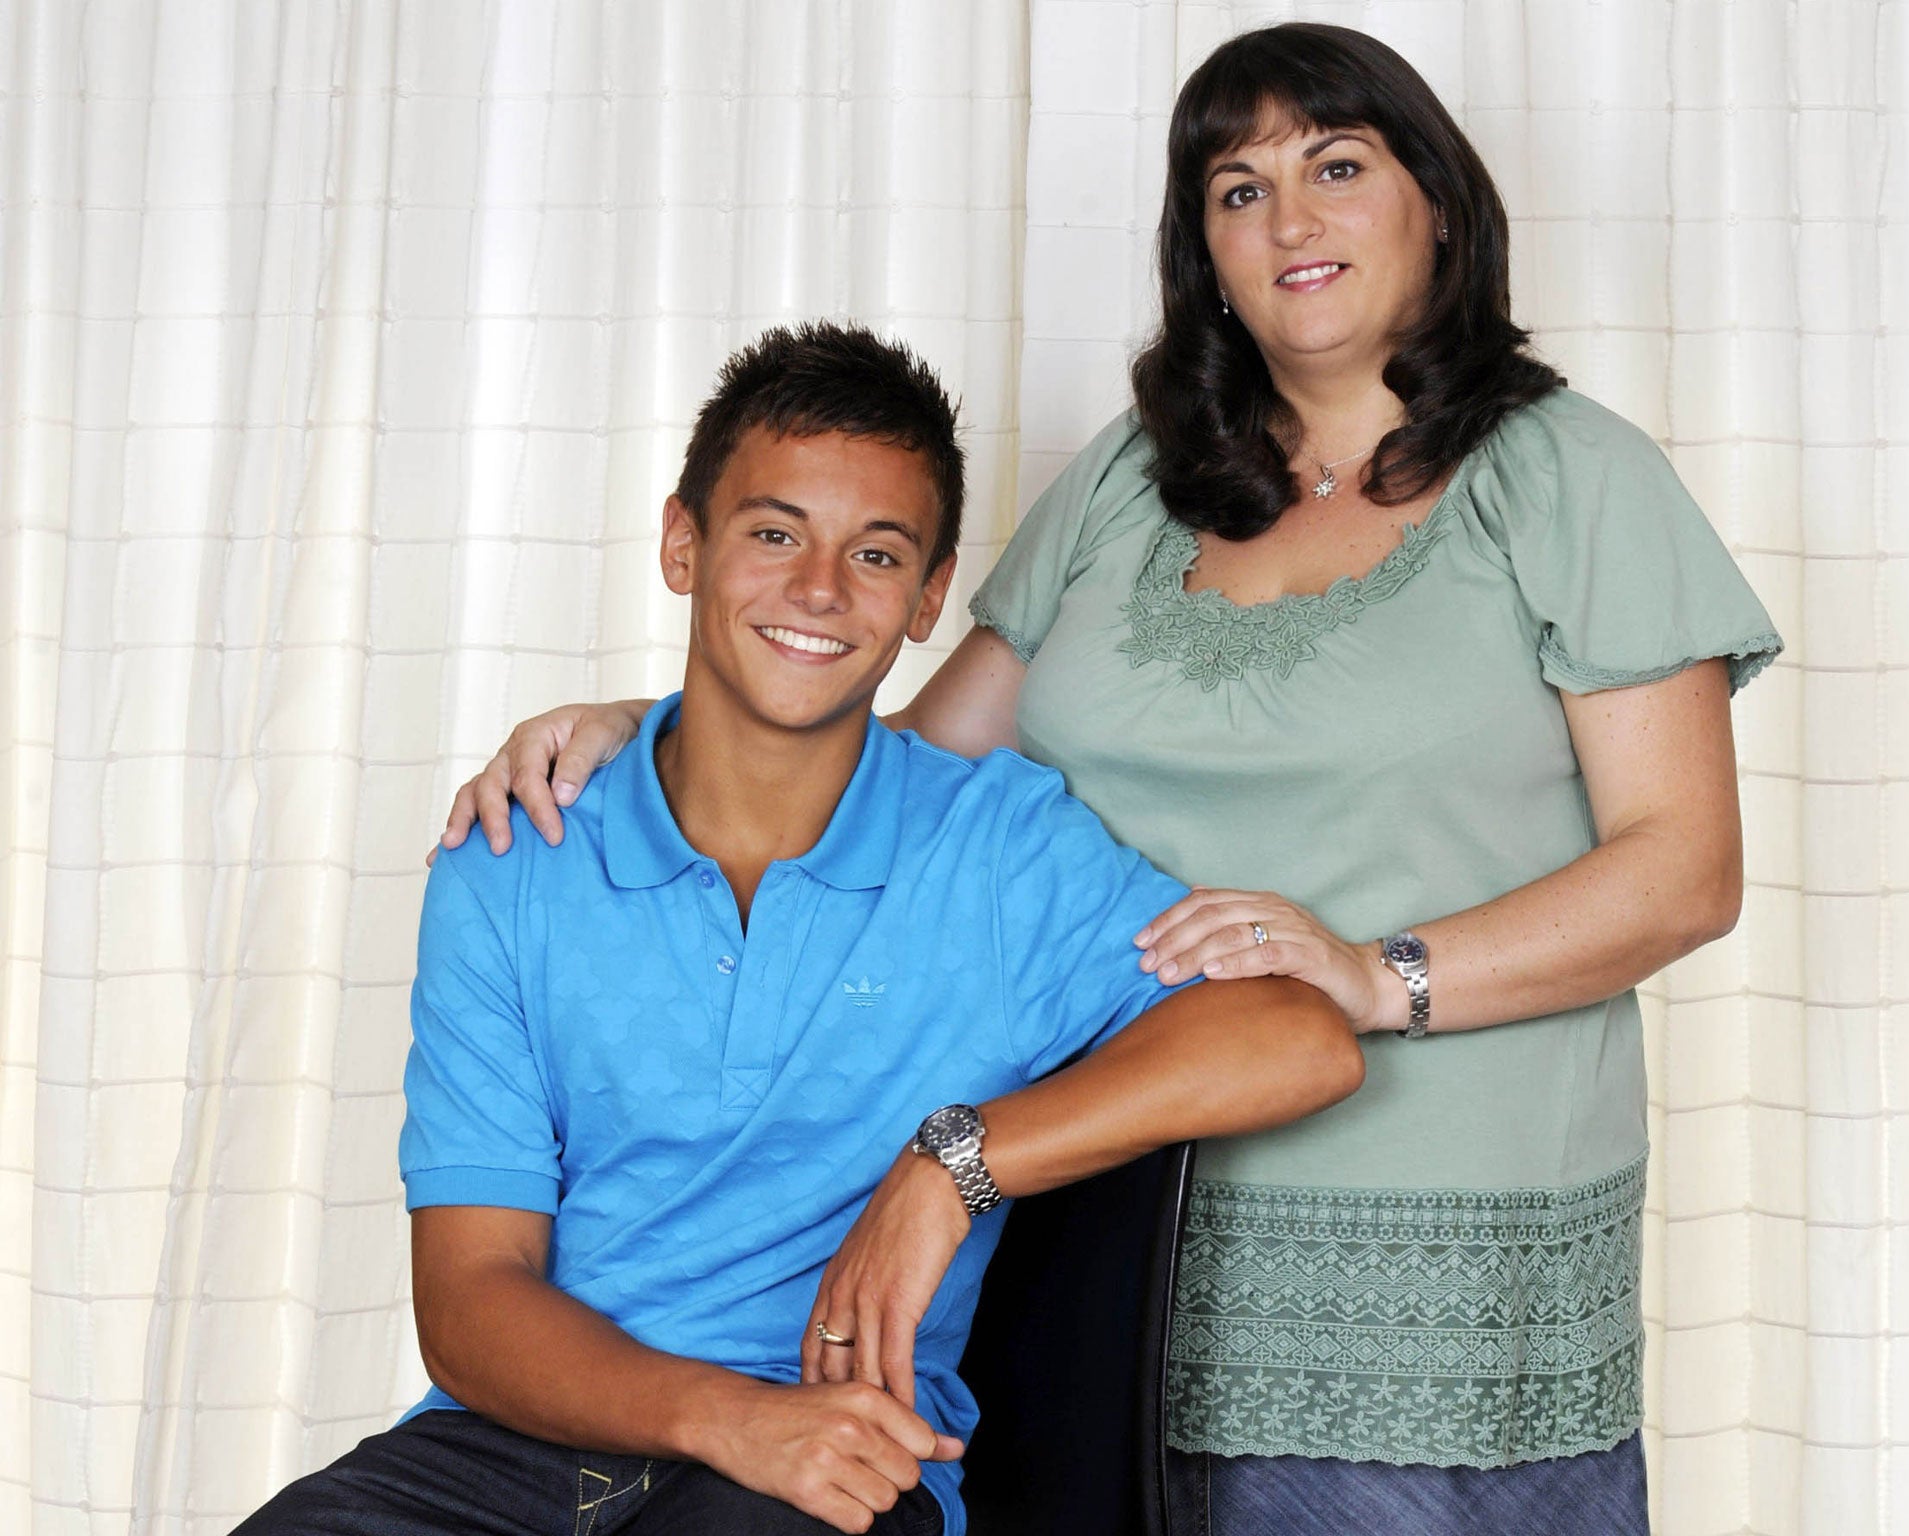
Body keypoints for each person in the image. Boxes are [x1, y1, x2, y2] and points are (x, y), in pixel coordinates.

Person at [444, 24, 1782, 1536]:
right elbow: (907, 765)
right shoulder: (1131, 484)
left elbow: (1686, 870)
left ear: (1443, 210)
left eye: (1337, 167)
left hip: (1434, 1265)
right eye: (1237, 186)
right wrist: (657, 717)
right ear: (1201, 249)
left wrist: (1369, 973)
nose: (1290, 218)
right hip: (1091, 1223)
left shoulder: (1570, 479)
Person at [235, 322, 1364, 1536]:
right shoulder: (517, 854)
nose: (818, 591)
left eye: (875, 554)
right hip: (515, 1449)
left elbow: (1299, 1037)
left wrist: (952, 1160)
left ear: (930, 596)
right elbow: (468, 1299)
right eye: (773, 534)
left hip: (839, 1460)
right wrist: (723, 1415)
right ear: (684, 543)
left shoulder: (994, 853)